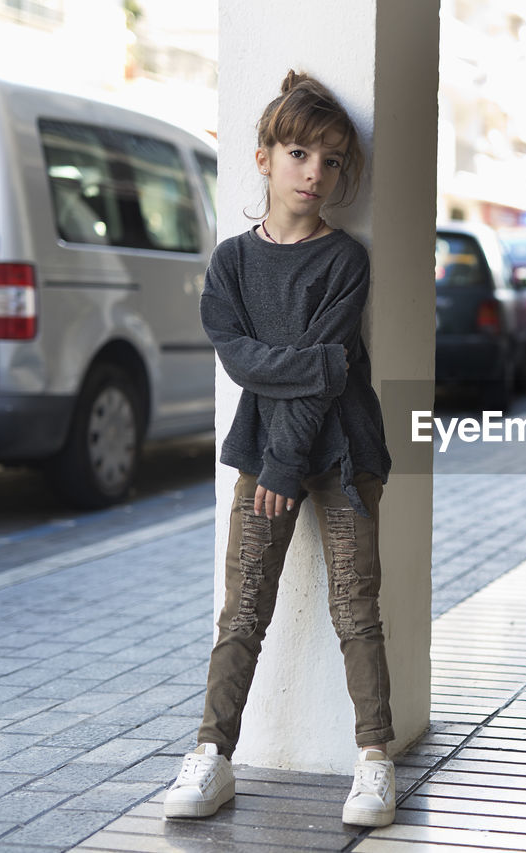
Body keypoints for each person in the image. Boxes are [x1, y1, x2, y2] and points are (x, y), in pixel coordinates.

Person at [161, 70, 396, 827]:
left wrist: (287, 463)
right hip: (266, 458)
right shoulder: (231, 261)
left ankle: (375, 762)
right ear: (263, 157)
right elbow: (241, 360)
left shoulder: (345, 260)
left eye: (330, 162)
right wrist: (299, 377)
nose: (315, 175)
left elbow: (329, 375)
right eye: (299, 154)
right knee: (243, 609)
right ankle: (211, 754)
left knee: (356, 607)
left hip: (341, 456)